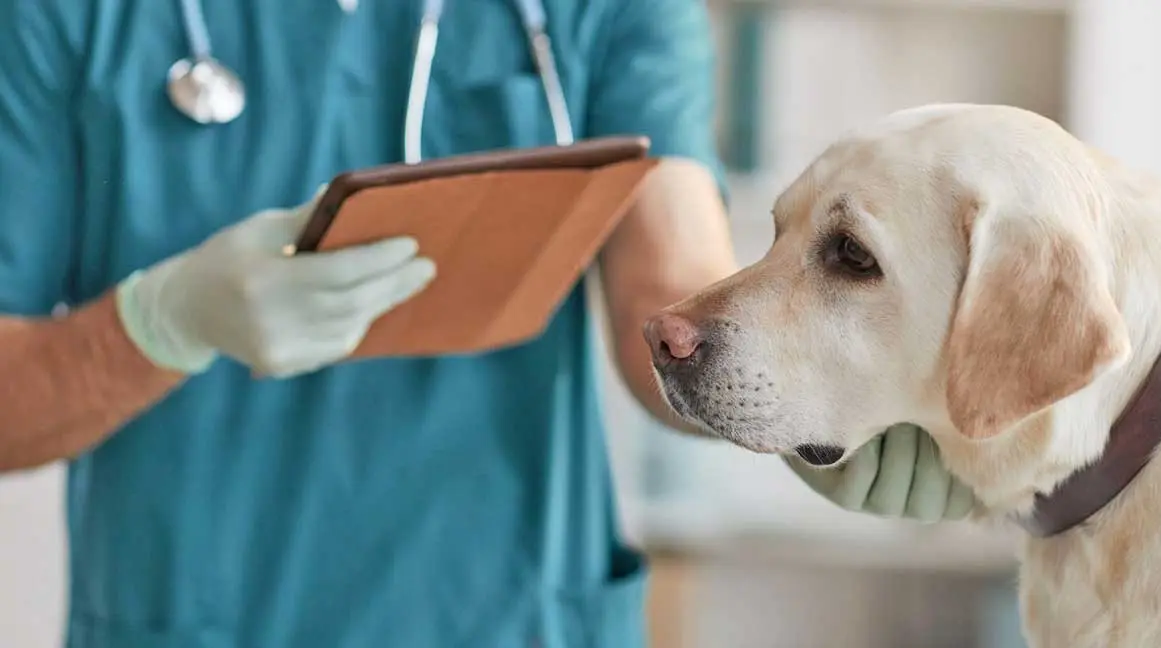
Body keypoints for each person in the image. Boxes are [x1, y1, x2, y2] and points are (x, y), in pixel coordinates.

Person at [0, 3, 971, 648]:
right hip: (198, 615)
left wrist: (793, 391)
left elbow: (671, 290)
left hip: (510, 618)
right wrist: (160, 323)